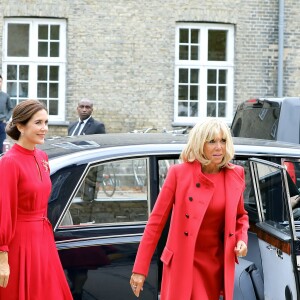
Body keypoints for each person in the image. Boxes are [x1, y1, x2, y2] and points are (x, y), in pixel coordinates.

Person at [130, 118, 249, 300]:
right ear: (200, 143)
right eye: (212, 141)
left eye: (223, 141)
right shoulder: (179, 173)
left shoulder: (235, 174)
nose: (219, 147)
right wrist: (140, 269)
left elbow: (241, 216)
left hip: (215, 263)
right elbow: (155, 223)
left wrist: (242, 239)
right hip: (183, 261)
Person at [0, 99, 72, 299]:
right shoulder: (9, 162)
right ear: (21, 126)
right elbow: (4, 212)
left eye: (46, 122)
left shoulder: (42, 157)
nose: (45, 128)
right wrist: (2, 259)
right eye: (38, 123)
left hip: (43, 239)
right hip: (19, 242)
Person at [0, 75, 13, 154]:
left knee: (1, 146)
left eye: (0, 81)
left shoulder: (6, 96)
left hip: (2, 124)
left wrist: (7, 118)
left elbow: (10, 108)